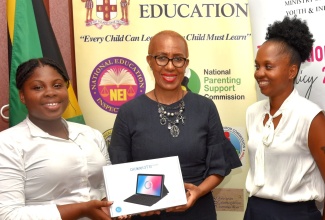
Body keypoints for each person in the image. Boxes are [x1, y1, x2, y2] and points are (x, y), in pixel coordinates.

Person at [109, 30, 242, 220]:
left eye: (178, 59)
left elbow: (218, 167)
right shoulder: (129, 112)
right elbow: (119, 172)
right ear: (150, 61)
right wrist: (137, 201)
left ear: (186, 63)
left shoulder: (205, 107)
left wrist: (197, 192)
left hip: (197, 210)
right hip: (147, 212)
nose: (170, 67)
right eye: (162, 58)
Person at [0, 58, 114, 219]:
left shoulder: (91, 134)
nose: (50, 92)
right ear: (22, 96)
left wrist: (128, 205)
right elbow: (7, 215)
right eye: (38, 87)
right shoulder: (7, 144)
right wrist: (82, 209)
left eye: (57, 85)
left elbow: (106, 188)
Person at [244, 16, 325, 220]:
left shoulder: (311, 116)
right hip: (255, 211)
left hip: (296, 214)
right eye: (257, 66)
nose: (259, 73)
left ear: (292, 71)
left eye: (268, 66)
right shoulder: (253, 113)